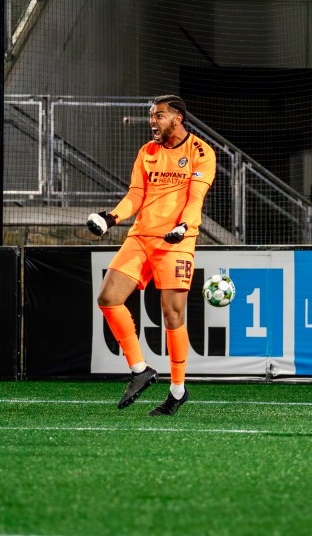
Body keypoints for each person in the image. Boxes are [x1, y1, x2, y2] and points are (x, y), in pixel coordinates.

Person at [86, 95, 216, 416]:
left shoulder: (201, 152)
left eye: (158, 115)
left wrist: (184, 226)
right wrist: (111, 218)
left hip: (176, 240)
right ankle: (140, 369)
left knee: (172, 315)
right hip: (141, 237)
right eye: (151, 116)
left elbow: (196, 198)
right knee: (108, 298)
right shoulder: (147, 151)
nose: (152, 121)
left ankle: (177, 390)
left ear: (177, 118)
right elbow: (136, 194)